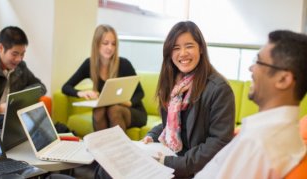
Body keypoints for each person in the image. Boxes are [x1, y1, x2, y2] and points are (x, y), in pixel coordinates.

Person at [195, 30, 307, 179]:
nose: (251, 68)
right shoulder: (284, 134)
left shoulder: (257, 144)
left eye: (259, 62)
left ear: (283, 80)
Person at [141, 21, 235, 178]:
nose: (182, 53)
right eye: (176, 48)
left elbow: (218, 143)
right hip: (172, 159)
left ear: (201, 48)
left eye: (189, 46)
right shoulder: (174, 83)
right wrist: (152, 135)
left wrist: (170, 163)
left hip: (195, 170)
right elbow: (172, 124)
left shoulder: (219, 89)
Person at [62, 24, 147, 132]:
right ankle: (102, 148)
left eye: (113, 44)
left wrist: (128, 102)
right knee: (99, 110)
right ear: (97, 44)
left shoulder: (124, 64)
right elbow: (66, 87)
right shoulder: (89, 64)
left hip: (132, 110)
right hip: (107, 111)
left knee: (114, 109)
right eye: (105, 43)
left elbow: (140, 93)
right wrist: (82, 93)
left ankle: (120, 148)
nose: (110, 48)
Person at [0, 26, 47, 129]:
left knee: (47, 123)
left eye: (22, 54)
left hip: (11, 117)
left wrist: (22, 97)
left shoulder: (21, 67)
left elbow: (40, 87)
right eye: (14, 54)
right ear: (0, 48)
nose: (19, 59)